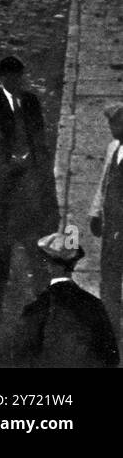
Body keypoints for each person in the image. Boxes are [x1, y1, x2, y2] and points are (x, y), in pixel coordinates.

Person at [0, 55, 60, 311]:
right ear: (2, 78)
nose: (16, 82)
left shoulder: (31, 102)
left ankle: (41, 303)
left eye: (19, 77)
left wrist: (43, 176)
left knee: (36, 247)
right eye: (11, 78)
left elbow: (40, 141)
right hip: (5, 191)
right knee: (2, 250)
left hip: (31, 188)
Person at [12, 231, 120, 367]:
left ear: (48, 266)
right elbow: (112, 358)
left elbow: (21, 359)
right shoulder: (95, 305)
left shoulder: (36, 308)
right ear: (74, 265)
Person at [89, 103, 123, 334]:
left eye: (116, 124)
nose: (112, 128)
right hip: (111, 224)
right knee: (108, 275)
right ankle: (110, 326)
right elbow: (103, 183)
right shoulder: (113, 148)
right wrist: (95, 212)